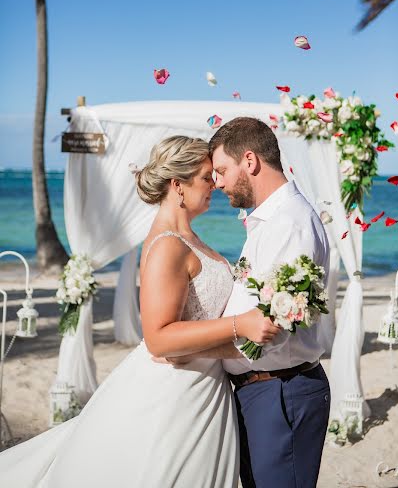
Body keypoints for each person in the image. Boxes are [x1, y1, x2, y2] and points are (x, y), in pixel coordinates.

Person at [0, 135, 275, 488]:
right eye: (207, 177)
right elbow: (158, 338)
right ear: (178, 185)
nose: (216, 184)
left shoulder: (188, 238)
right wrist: (242, 325)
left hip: (205, 387)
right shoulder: (167, 246)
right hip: (176, 394)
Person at [208, 117, 331, 488]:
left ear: (250, 161)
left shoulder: (289, 224)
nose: (218, 182)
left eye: (221, 170)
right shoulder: (271, 219)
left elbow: (271, 329)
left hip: (281, 392)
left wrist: (191, 343)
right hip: (264, 390)